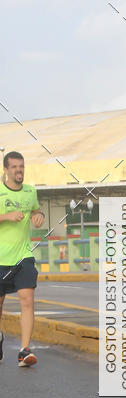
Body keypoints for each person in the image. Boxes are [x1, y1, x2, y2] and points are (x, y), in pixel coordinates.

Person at [0, 151, 45, 366]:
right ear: (6, 170)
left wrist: (39, 217)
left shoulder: (30, 191)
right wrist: (6, 216)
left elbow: (37, 210)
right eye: (15, 167)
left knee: (27, 300)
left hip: (24, 256)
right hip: (0, 259)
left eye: (22, 166)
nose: (19, 170)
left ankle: (24, 351)